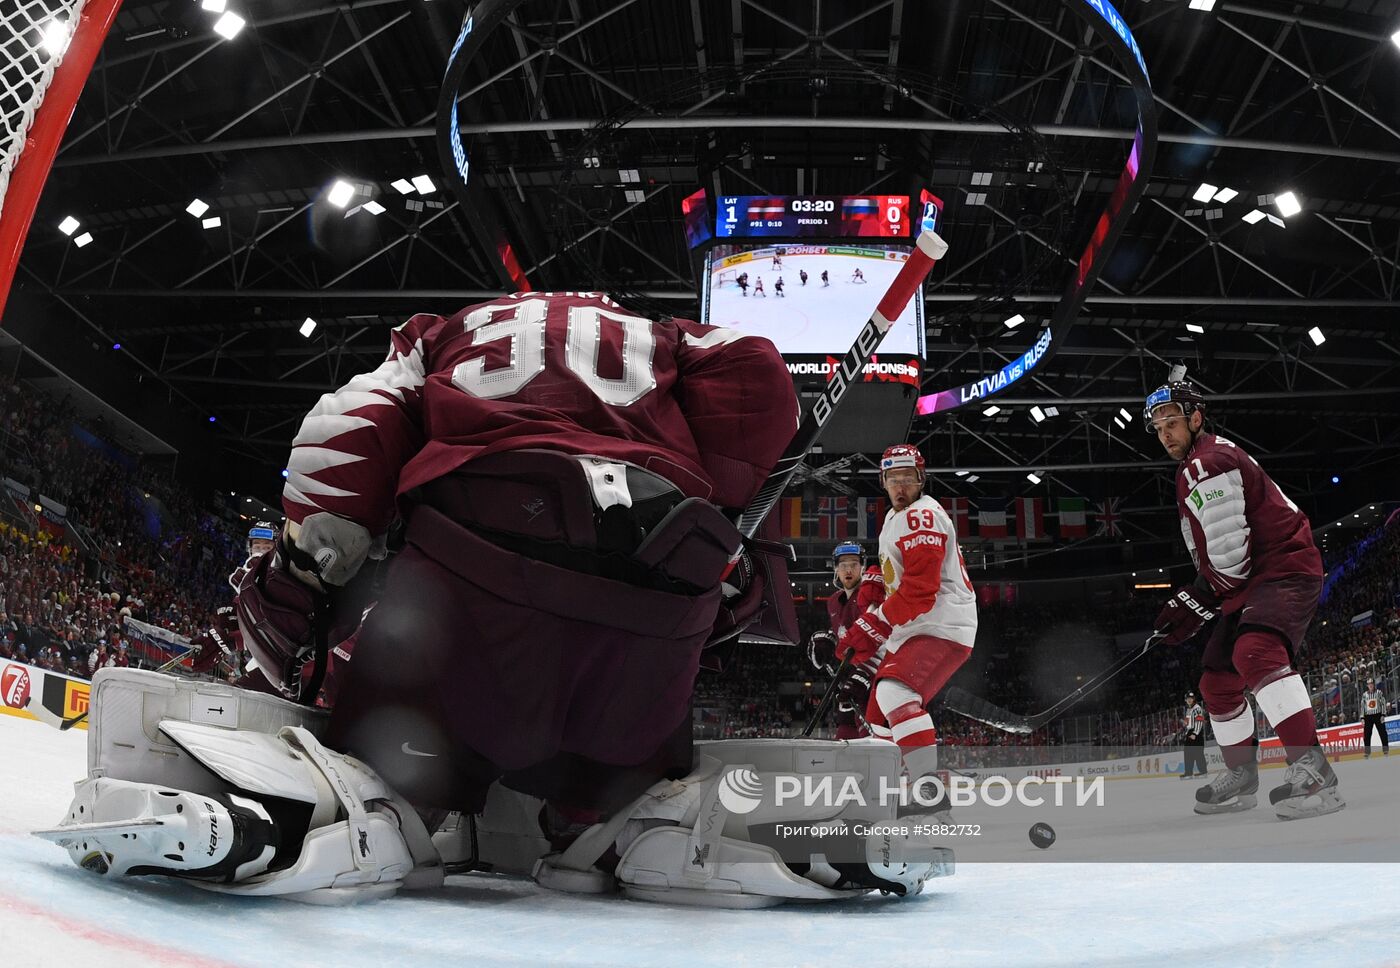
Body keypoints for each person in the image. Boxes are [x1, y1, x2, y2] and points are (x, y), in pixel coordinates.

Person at [46, 291, 953, 905]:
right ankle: (673, 833)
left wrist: (309, 569)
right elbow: (761, 393)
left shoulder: (441, 333)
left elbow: (343, 440)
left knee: (400, 777)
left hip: (474, 590)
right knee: (625, 793)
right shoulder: (674, 342)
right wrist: (707, 514)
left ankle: (312, 817)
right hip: (647, 623)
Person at [1145, 378, 1343, 820]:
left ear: (1196, 418)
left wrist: (1195, 599)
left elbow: (1230, 558)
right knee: (1217, 679)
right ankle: (1243, 779)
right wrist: (1198, 600)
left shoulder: (1206, 463)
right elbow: (1223, 560)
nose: (1165, 435)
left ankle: (1316, 776)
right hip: (1255, 578)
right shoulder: (1198, 462)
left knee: (1255, 651)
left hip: (1282, 567)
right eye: (1158, 428)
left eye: (1172, 422)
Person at [835, 444, 977, 810]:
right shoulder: (895, 520)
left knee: (896, 693)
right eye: (893, 479)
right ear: (884, 482)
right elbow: (897, 577)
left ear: (920, 480)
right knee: (877, 713)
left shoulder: (922, 516)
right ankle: (885, 797)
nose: (901, 487)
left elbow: (920, 590)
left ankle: (929, 795)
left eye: (908, 479)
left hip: (942, 625)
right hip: (916, 628)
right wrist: (873, 591)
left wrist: (873, 625)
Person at [808, 541, 884, 739]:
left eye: (854, 564)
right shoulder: (833, 601)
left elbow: (884, 636)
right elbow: (844, 633)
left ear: (863, 567)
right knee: (844, 725)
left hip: (875, 678)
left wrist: (865, 676)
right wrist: (826, 641)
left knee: (872, 732)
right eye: (842, 564)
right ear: (835, 568)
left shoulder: (872, 595)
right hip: (848, 676)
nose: (848, 569)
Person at [1180, 690, 1207, 779]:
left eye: (1191, 698)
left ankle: (1203, 772)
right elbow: (1188, 722)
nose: (1189, 700)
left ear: (1194, 699)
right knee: (1188, 753)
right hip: (1190, 732)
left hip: (1196, 732)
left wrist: (1195, 733)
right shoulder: (1189, 710)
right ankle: (1188, 773)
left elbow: (1199, 721)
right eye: (1188, 698)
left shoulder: (1197, 708)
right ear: (1185, 700)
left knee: (1198, 753)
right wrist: (1184, 723)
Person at [1360, 677, 1389, 757]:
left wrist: (1383, 714)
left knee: (1383, 733)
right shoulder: (1364, 695)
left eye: (1371, 684)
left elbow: (1383, 703)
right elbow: (1362, 706)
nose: (1370, 685)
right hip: (1368, 717)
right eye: (1369, 684)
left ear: (1374, 684)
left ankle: (1385, 750)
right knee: (1367, 735)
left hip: (1378, 715)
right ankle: (1367, 752)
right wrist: (1362, 717)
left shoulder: (1379, 692)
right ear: (1367, 685)